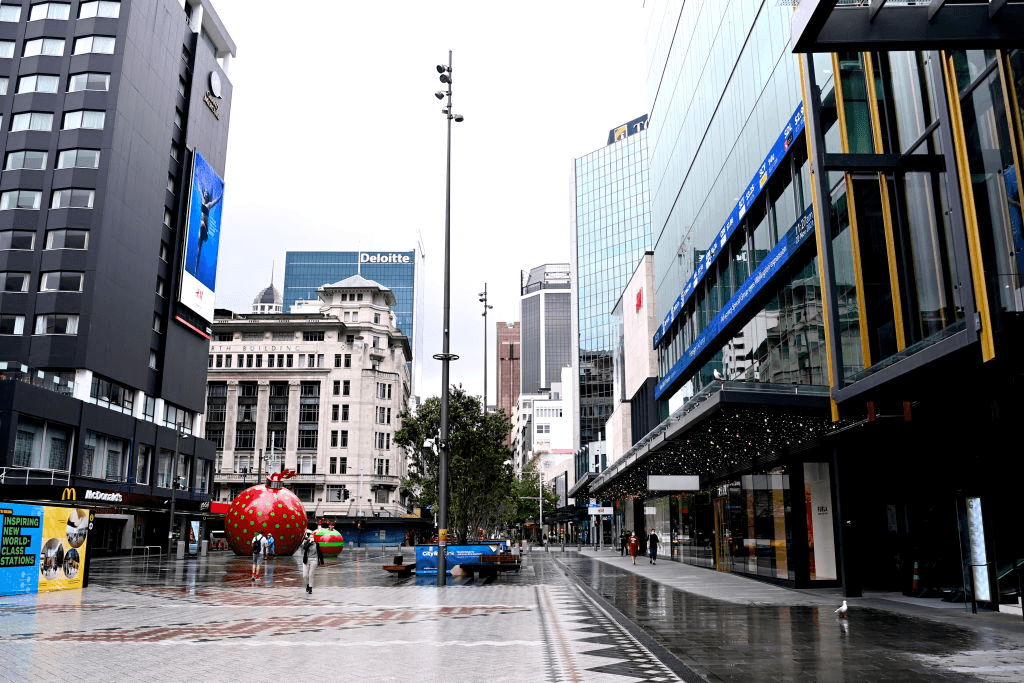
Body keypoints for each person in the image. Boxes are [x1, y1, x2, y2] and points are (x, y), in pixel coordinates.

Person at [301, 529, 325, 594]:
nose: (311, 538)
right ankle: (307, 585)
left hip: (314, 560)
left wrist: (321, 561)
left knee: (311, 575)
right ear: (308, 538)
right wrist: (309, 543)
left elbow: (319, 553)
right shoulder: (306, 543)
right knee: (305, 576)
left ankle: (310, 588)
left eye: (312, 537)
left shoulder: (316, 544)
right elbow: (305, 548)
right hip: (306, 560)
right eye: (310, 537)